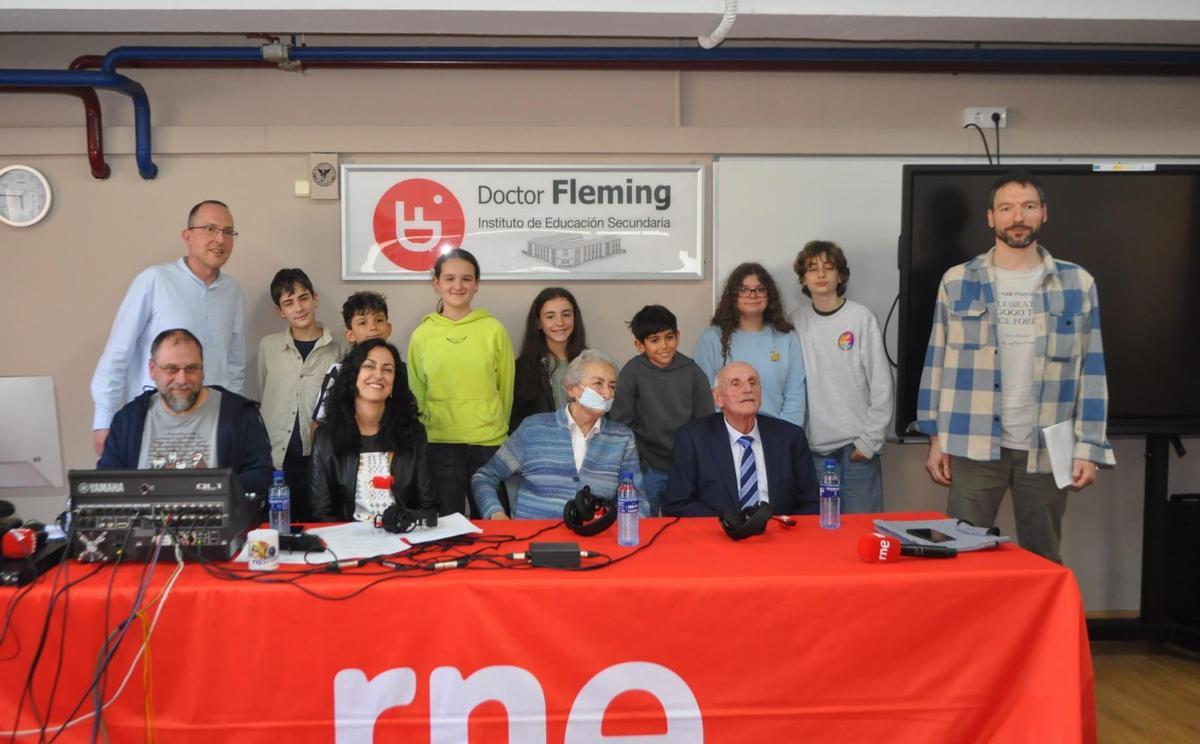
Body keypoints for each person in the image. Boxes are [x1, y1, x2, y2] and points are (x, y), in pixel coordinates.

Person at [913, 170, 1114, 563]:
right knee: (961, 556)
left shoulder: (1077, 283)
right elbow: (936, 360)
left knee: (1042, 558)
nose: (1017, 216)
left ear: (1043, 214)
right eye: (1006, 208)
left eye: (1027, 206)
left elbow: (1093, 370)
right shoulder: (957, 280)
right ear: (991, 217)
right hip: (972, 444)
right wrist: (935, 437)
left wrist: (1087, 446)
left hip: (1046, 447)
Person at [90, 200, 246, 455]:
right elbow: (118, 353)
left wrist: (236, 415)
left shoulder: (232, 291)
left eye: (228, 232)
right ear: (188, 236)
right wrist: (103, 421)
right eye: (210, 228)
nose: (220, 239)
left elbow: (235, 363)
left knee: (211, 493)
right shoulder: (154, 280)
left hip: (212, 422)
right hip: (156, 419)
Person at [472, 349, 647, 520]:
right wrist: (496, 514)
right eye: (598, 383)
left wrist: (630, 529)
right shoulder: (533, 429)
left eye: (612, 386)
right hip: (534, 537)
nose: (607, 393)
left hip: (595, 537)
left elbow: (637, 497)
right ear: (572, 389)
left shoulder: (622, 438)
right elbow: (484, 477)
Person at [97, 328, 272, 496]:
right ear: (152, 369)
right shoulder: (128, 420)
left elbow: (262, 476)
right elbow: (106, 483)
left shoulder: (239, 415)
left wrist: (214, 489)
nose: (182, 379)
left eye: (191, 369)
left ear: (202, 370)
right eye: (171, 369)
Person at [407, 249, 515, 517]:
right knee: (446, 526)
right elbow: (416, 392)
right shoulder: (422, 335)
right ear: (436, 283)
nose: (458, 286)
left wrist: (496, 426)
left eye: (466, 279)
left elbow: (506, 389)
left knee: (493, 524)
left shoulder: (494, 330)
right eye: (450, 279)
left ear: (476, 284)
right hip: (440, 442)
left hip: (489, 443)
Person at [790, 241, 894, 513]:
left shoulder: (861, 318)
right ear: (803, 278)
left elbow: (882, 384)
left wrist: (869, 441)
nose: (821, 274)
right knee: (820, 536)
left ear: (841, 275)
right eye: (812, 269)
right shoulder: (795, 322)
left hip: (857, 449)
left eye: (829, 267)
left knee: (860, 532)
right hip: (814, 451)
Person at [664, 361, 818, 518]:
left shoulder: (790, 437)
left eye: (753, 382)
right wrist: (728, 523)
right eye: (735, 384)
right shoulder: (693, 438)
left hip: (778, 534)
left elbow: (811, 503)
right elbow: (677, 503)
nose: (748, 389)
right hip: (717, 534)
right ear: (718, 398)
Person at [308, 339, 436, 523]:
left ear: (394, 382)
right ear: (354, 376)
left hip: (403, 537)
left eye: (387, 369)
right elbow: (320, 512)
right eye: (369, 366)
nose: (378, 375)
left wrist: (399, 522)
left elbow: (429, 508)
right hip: (346, 543)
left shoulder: (414, 434)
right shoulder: (326, 437)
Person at [257, 268, 347, 521]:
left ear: (315, 298)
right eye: (289, 302)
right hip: (280, 460)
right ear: (280, 311)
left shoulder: (339, 346)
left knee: (321, 524)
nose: (298, 307)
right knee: (280, 526)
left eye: (303, 297)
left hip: (325, 457)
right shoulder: (269, 346)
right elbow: (265, 391)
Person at [610, 304, 714, 516]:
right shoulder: (632, 372)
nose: (664, 345)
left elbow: (705, 424)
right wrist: (638, 462)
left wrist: (696, 463)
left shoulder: (694, 373)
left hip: (685, 468)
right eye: (654, 340)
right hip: (647, 468)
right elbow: (621, 423)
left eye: (669, 337)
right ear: (640, 344)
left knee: (682, 526)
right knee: (644, 522)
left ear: (678, 336)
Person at [693, 263, 807, 428]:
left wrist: (786, 435)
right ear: (733, 296)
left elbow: (795, 394)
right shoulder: (711, 339)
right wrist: (728, 434)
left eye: (760, 289)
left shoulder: (787, 338)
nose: (752, 296)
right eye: (744, 290)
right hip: (727, 434)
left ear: (769, 295)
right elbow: (706, 396)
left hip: (777, 433)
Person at [510, 287, 588, 432]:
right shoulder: (521, 369)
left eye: (566, 315)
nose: (560, 323)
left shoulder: (591, 364)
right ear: (539, 323)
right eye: (550, 316)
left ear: (575, 319)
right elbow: (515, 422)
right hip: (541, 450)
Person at [311, 291, 393, 425]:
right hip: (347, 442)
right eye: (362, 323)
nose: (373, 328)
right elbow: (318, 423)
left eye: (379, 320)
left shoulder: (400, 370)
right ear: (350, 335)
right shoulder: (338, 371)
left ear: (389, 328)